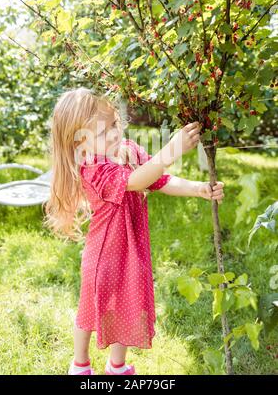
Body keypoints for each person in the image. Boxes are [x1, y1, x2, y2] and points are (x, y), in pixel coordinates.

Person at [43, 87, 224, 376]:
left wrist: (197, 189)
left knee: (125, 307)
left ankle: (117, 366)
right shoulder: (94, 168)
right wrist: (172, 149)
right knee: (89, 311)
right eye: (102, 133)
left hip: (130, 249)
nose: (114, 134)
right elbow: (138, 179)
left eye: (114, 124)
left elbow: (159, 179)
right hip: (104, 255)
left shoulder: (127, 149)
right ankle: (80, 364)